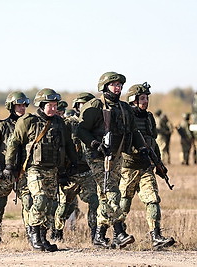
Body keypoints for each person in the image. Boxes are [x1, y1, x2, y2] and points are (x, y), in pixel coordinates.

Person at [78, 72, 147, 249]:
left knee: (105, 198)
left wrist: (143, 148)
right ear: (104, 86)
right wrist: (95, 144)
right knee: (112, 193)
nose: (118, 88)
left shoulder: (124, 108)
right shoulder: (94, 105)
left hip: (116, 156)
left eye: (119, 85)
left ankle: (99, 236)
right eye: (114, 85)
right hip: (97, 157)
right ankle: (119, 232)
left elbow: (133, 132)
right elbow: (81, 130)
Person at [5, 88, 77, 252]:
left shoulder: (60, 123)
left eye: (55, 105)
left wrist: (71, 164)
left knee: (51, 206)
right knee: (40, 199)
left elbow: (68, 146)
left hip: (53, 170)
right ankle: (34, 235)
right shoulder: (29, 121)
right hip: (34, 169)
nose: (53, 108)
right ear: (41, 105)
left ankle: (43, 238)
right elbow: (14, 143)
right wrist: (10, 165)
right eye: (49, 105)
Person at [119, 82, 175, 249]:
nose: (145, 101)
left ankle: (156, 236)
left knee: (152, 200)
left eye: (146, 98)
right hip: (128, 166)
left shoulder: (149, 117)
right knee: (123, 202)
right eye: (142, 98)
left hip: (145, 166)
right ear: (133, 100)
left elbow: (153, 142)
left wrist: (158, 162)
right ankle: (119, 233)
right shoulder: (126, 117)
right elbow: (122, 141)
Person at [54, 92, 98, 242]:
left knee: (94, 202)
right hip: (70, 171)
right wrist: (62, 171)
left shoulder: (97, 125)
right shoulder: (67, 124)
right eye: (82, 105)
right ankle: (57, 232)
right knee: (65, 205)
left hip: (87, 171)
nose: (85, 108)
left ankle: (95, 234)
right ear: (76, 106)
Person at [0, 91, 30, 244]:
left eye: (24, 105)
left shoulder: (30, 124)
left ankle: (32, 233)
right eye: (18, 105)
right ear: (11, 106)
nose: (22, 108)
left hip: (24, 171)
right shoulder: (1, 126)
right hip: (4, 171)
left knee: (28, 201)